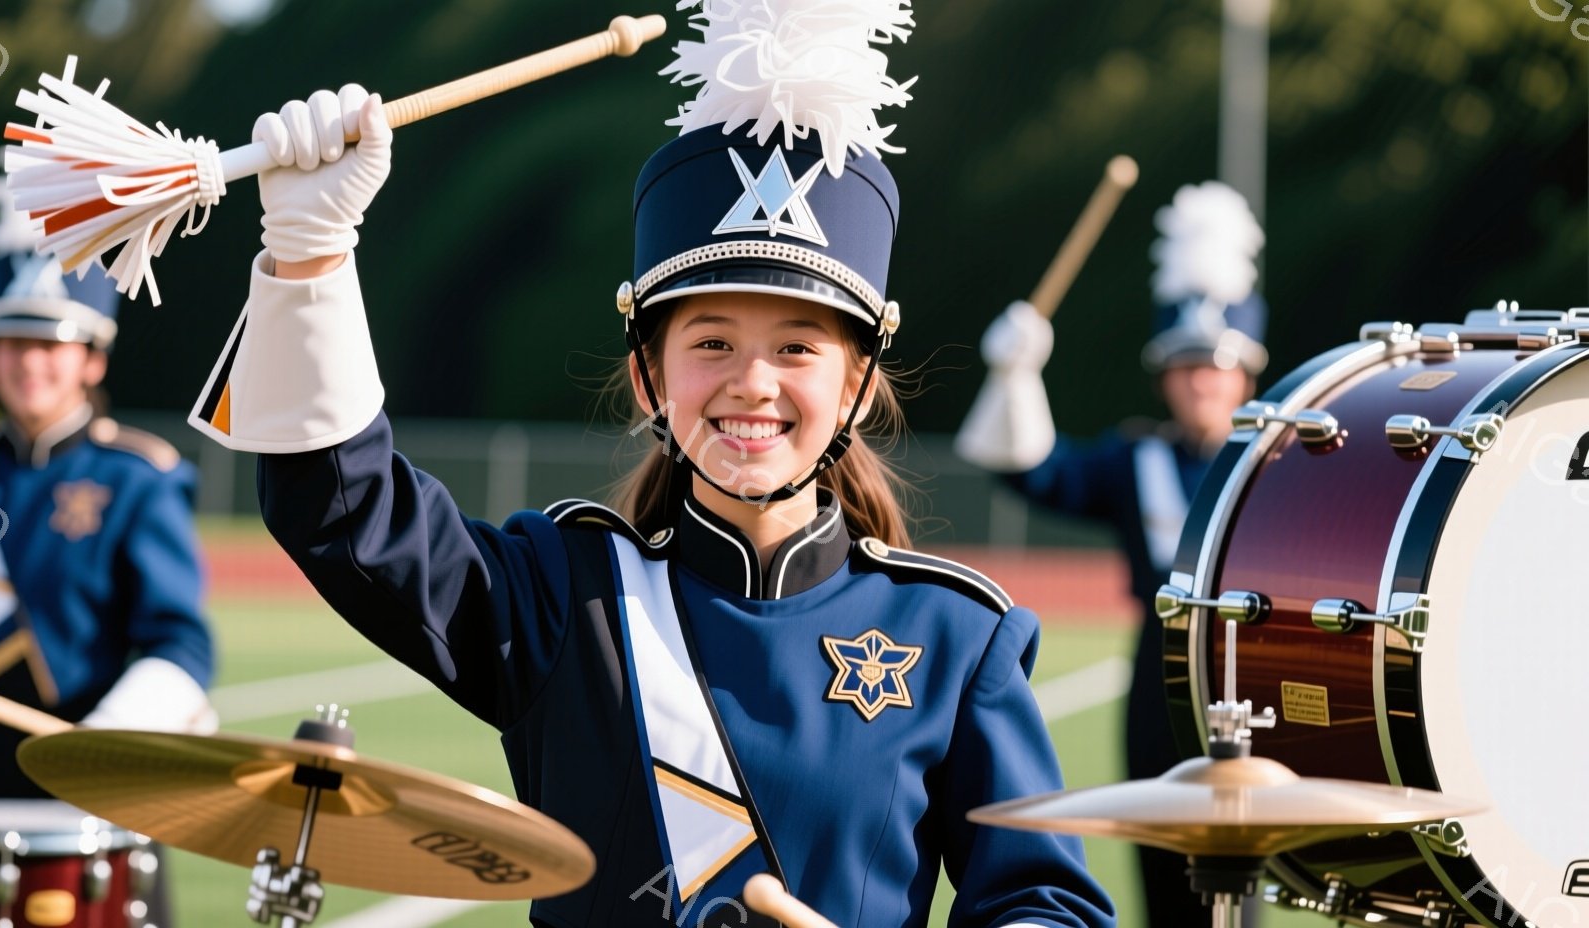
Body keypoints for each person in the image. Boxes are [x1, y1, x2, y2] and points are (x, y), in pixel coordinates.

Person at [188, 4, 1114, 926]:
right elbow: (346, 516)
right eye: (710, 342)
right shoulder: (563, 595)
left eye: (798, 348)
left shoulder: (954, 636)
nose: (752, 383)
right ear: (647, 376)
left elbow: (1045, 906)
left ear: (859, 385)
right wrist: (310, 255)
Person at [955, 181, 1266, 928]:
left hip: (1250, 677)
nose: (1202, 381)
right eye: (1187, 365)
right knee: (1163, 879)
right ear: (1164, 374)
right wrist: (1015, 375)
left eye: (1217, 366)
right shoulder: (1135, 461)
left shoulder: (1277, 463)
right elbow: (1029, 467)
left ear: (1246, 373)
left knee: (1246, 877)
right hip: (1156, 679)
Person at [0, 174, 218, 918]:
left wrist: (110, 738)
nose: (30, 362)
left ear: (93, 358)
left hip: (95, 794)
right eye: (13, 341)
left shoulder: (135, 479)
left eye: (53, 344)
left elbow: (181, 645)